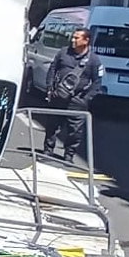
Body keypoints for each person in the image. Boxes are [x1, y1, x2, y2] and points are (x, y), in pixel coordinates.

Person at [39, 27, 103, 163]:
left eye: (76, 38)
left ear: (86, 40)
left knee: (75, 130)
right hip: (58, 96)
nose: (73, 40)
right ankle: (48, 151)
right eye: (72, 37)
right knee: (52, 125)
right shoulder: (63, 53)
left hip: (77, 100)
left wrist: (86, 98)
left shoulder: (93, 60)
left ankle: (69, 155)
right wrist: (50, 88)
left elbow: (97, 82)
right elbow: (52, 69)